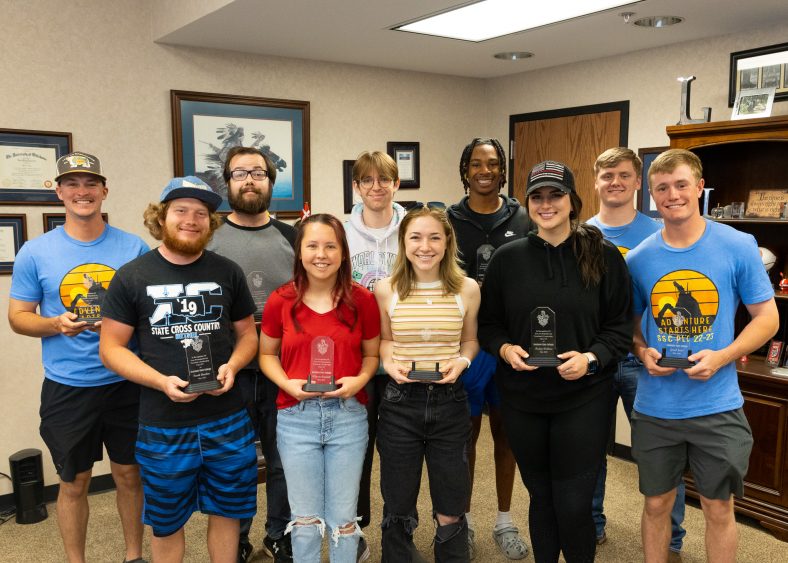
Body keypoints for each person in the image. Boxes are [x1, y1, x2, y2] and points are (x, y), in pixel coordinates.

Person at [627, 149, 778, 563]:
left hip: (717, 406)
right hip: (657, 407)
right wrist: (642, 350)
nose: (672, 195)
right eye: (661, 188)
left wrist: (724, 355)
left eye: (680, 185)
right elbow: (633, 324)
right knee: (656, 505)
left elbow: (767, 319)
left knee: (718, 507)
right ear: (652, 196)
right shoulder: (640, 258)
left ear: (699, 188)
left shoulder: (737, 244)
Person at [478, 160, 633, 562]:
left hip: (583, 397)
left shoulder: (603, 255)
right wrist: (505, 349)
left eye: (555, 195)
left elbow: (618, 328)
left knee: (572, 504)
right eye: (537, 196)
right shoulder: (506, 260)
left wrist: (591, 358)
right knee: (541, 497)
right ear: (527, 203)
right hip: (523, 398)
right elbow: (489, 325)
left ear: (572, 200)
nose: (547, 204)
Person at [99, 177, 259, 563]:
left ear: (210, 222)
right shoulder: (132, 275)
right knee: (167, 523)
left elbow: (248, 335)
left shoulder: (228, 271)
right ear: (162, 217)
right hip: (164, 425)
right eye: (181, 210)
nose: (191, 219)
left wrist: (233, 366)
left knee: (229, 513)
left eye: (201, 213)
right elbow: (110, 349)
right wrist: (159, 381)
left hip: (227, 418)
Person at [8, 151, 148, 563]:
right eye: (71, 184)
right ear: (58, 191)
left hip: (126, 381)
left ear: (104, 191)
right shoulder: (36, 252)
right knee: (73, 482)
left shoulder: (133, 246)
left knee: (129, 474)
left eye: (90, 184)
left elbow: (146, 312)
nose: (81, 192)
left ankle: (133, 555)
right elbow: (18, 317)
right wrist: (56, 324)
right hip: (69, 386)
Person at [259, 213, 381, 563]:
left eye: (330, 245)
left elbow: (371, 354)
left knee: (344, 520)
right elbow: (266, 354)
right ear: (299, 252)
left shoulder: (363, 300)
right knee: (305, 520)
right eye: (312, 245)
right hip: (296, 418)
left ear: (343, 252)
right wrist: (287, 383)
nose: (321, 254)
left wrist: (359, 379)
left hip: (348, 417)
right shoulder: (280, 300)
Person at [585, 147, 686, 552]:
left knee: (659, 455)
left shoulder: (658, 231)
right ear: (596, 180)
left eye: (624, 175)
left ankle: (673, 539)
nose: (616, 182)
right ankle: (591, 525)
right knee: (589, 450)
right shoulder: (582, 234)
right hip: (594, 358)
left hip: (643, 360)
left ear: (637, 181)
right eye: (607, 175)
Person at [374, 205, 481, 562]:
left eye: (435, 237)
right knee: (399, 500)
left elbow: (470, 341)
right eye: (415, 237)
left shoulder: (467, 289)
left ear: (447, 241)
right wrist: (388, 363)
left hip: (450, 402)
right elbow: (385, 341)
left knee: (452, 499)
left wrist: (462, 361)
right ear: (402, 243)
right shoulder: (385, 289)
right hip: (400, 402)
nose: (425, 246)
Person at [206, 146, 296, 563]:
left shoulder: (293, 237)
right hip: (231, 369)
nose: (249, 180)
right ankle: (237, 537)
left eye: (258, 173)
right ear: (227, 183)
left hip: (284, 368)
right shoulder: (209, 239)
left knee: (282, 460)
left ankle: (279, 533)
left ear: (270, 183)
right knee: (236, 463)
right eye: (239, 173)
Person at [447, 138, 530, 560]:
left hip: (510, 345)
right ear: (465, 170)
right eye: (476, 163)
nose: (485, 170)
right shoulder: (448, 219)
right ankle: (463, 521)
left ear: (502, 171)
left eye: (493, 164)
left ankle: (504, 519)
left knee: (507, 434)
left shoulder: (523, 217)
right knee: (465, 436)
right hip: (465, 345)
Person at [344, 151, 407, 562]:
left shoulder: (414, 228)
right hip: (357, 356)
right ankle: (359, 527)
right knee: (358, 447)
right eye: (367, 180)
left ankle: (398, 529)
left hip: (405, 354)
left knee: (400, 450)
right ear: (356, 187)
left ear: (396, 183)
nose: (376, 187)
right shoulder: (342, 231)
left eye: (384, 179)